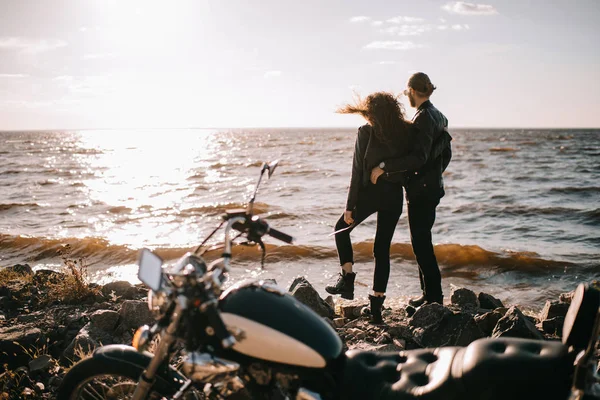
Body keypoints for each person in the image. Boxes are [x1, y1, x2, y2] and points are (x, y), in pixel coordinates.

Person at [325, 91, 412, 324]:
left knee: (340, 229)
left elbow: (356, 172)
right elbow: (410, 162)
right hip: (394, 195)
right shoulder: (404, 132)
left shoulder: (366, 132)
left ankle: (348, 278)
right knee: (381, 250)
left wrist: (350, 206)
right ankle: (376, 309)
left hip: (369, 194)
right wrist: (387, 168)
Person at [370, 72, 451, 307]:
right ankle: (428, 294)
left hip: (422, 190)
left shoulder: (424, 118)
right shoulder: (441, 117)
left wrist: (385, 167)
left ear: (414, 91)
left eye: (407, 93)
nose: (406, 97)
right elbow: (445, 154)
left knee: (421, 243)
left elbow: (418, 157)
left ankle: (434, 297)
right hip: (432, 187)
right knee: (421, 240)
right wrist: (435, 175)